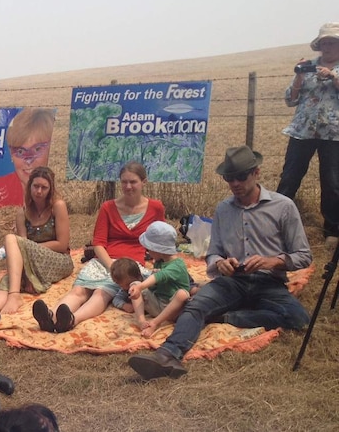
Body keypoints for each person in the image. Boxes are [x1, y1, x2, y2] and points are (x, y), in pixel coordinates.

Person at [128, 146, 312, 380]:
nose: (234, 183)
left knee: (298, 319)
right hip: (231, 281)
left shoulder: (283, 207)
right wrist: (220, 263)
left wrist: (272, 261)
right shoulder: (223, 209)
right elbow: (213, 254)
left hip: (269, 282)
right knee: (195, 306)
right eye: (229, 178)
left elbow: (304, 255)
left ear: (256, 173)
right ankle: (167, 356)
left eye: (241, 177)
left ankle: (229, 317)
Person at [33, 161, 165, 333]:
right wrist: (110, 265)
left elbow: (160, 239)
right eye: (124, 182)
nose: (128, 186)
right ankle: (51, 317)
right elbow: (99, 242)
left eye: (133, 182)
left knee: (101, 292)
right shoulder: (108, 207)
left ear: (143, 182)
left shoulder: (155, 208)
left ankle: (71, 320)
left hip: (130, 265)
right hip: (105, 260)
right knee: (79, 291)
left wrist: (159, 266)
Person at [0, 167, 74, 326]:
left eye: (44, 187)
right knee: (10, 278)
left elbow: (62, 244)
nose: (39, 191)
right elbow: (20, 250)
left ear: (51, 189)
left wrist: (31, 248)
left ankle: (14, 295)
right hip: (32, 259)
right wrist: (26, 255)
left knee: (11, 239)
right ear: (29, 187)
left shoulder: (57, 206)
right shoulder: (22, 212)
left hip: (58, 260)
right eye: (35, 186)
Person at [277, 22, 339, 253]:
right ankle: (275, 222)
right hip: (302, 131)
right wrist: (299, 77)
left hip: (334, 134)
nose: (328, 47)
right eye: (325, 43)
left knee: (332, 183)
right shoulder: (308, 67)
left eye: (332, 42)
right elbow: (289, 100)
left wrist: (333, 76)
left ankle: (332, 231)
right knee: (290, 177)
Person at [126, 221, 191, 337]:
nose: (147, 252)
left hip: (173, 309)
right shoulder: (159, 263)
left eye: (149, 249)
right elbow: (155, 285)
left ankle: (154, 323)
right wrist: (138, 287)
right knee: (135, 283)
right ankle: (142, 321)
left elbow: (160, 276)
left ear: (157, 249)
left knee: (182, 294)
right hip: (158, 304)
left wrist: (141, 286)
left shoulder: (177, 265)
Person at [0, 108, 54, 207]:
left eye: (37, 149)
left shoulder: (59, 194)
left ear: (51, 150)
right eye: (20, 151)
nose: (28, 160)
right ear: (11, 154)